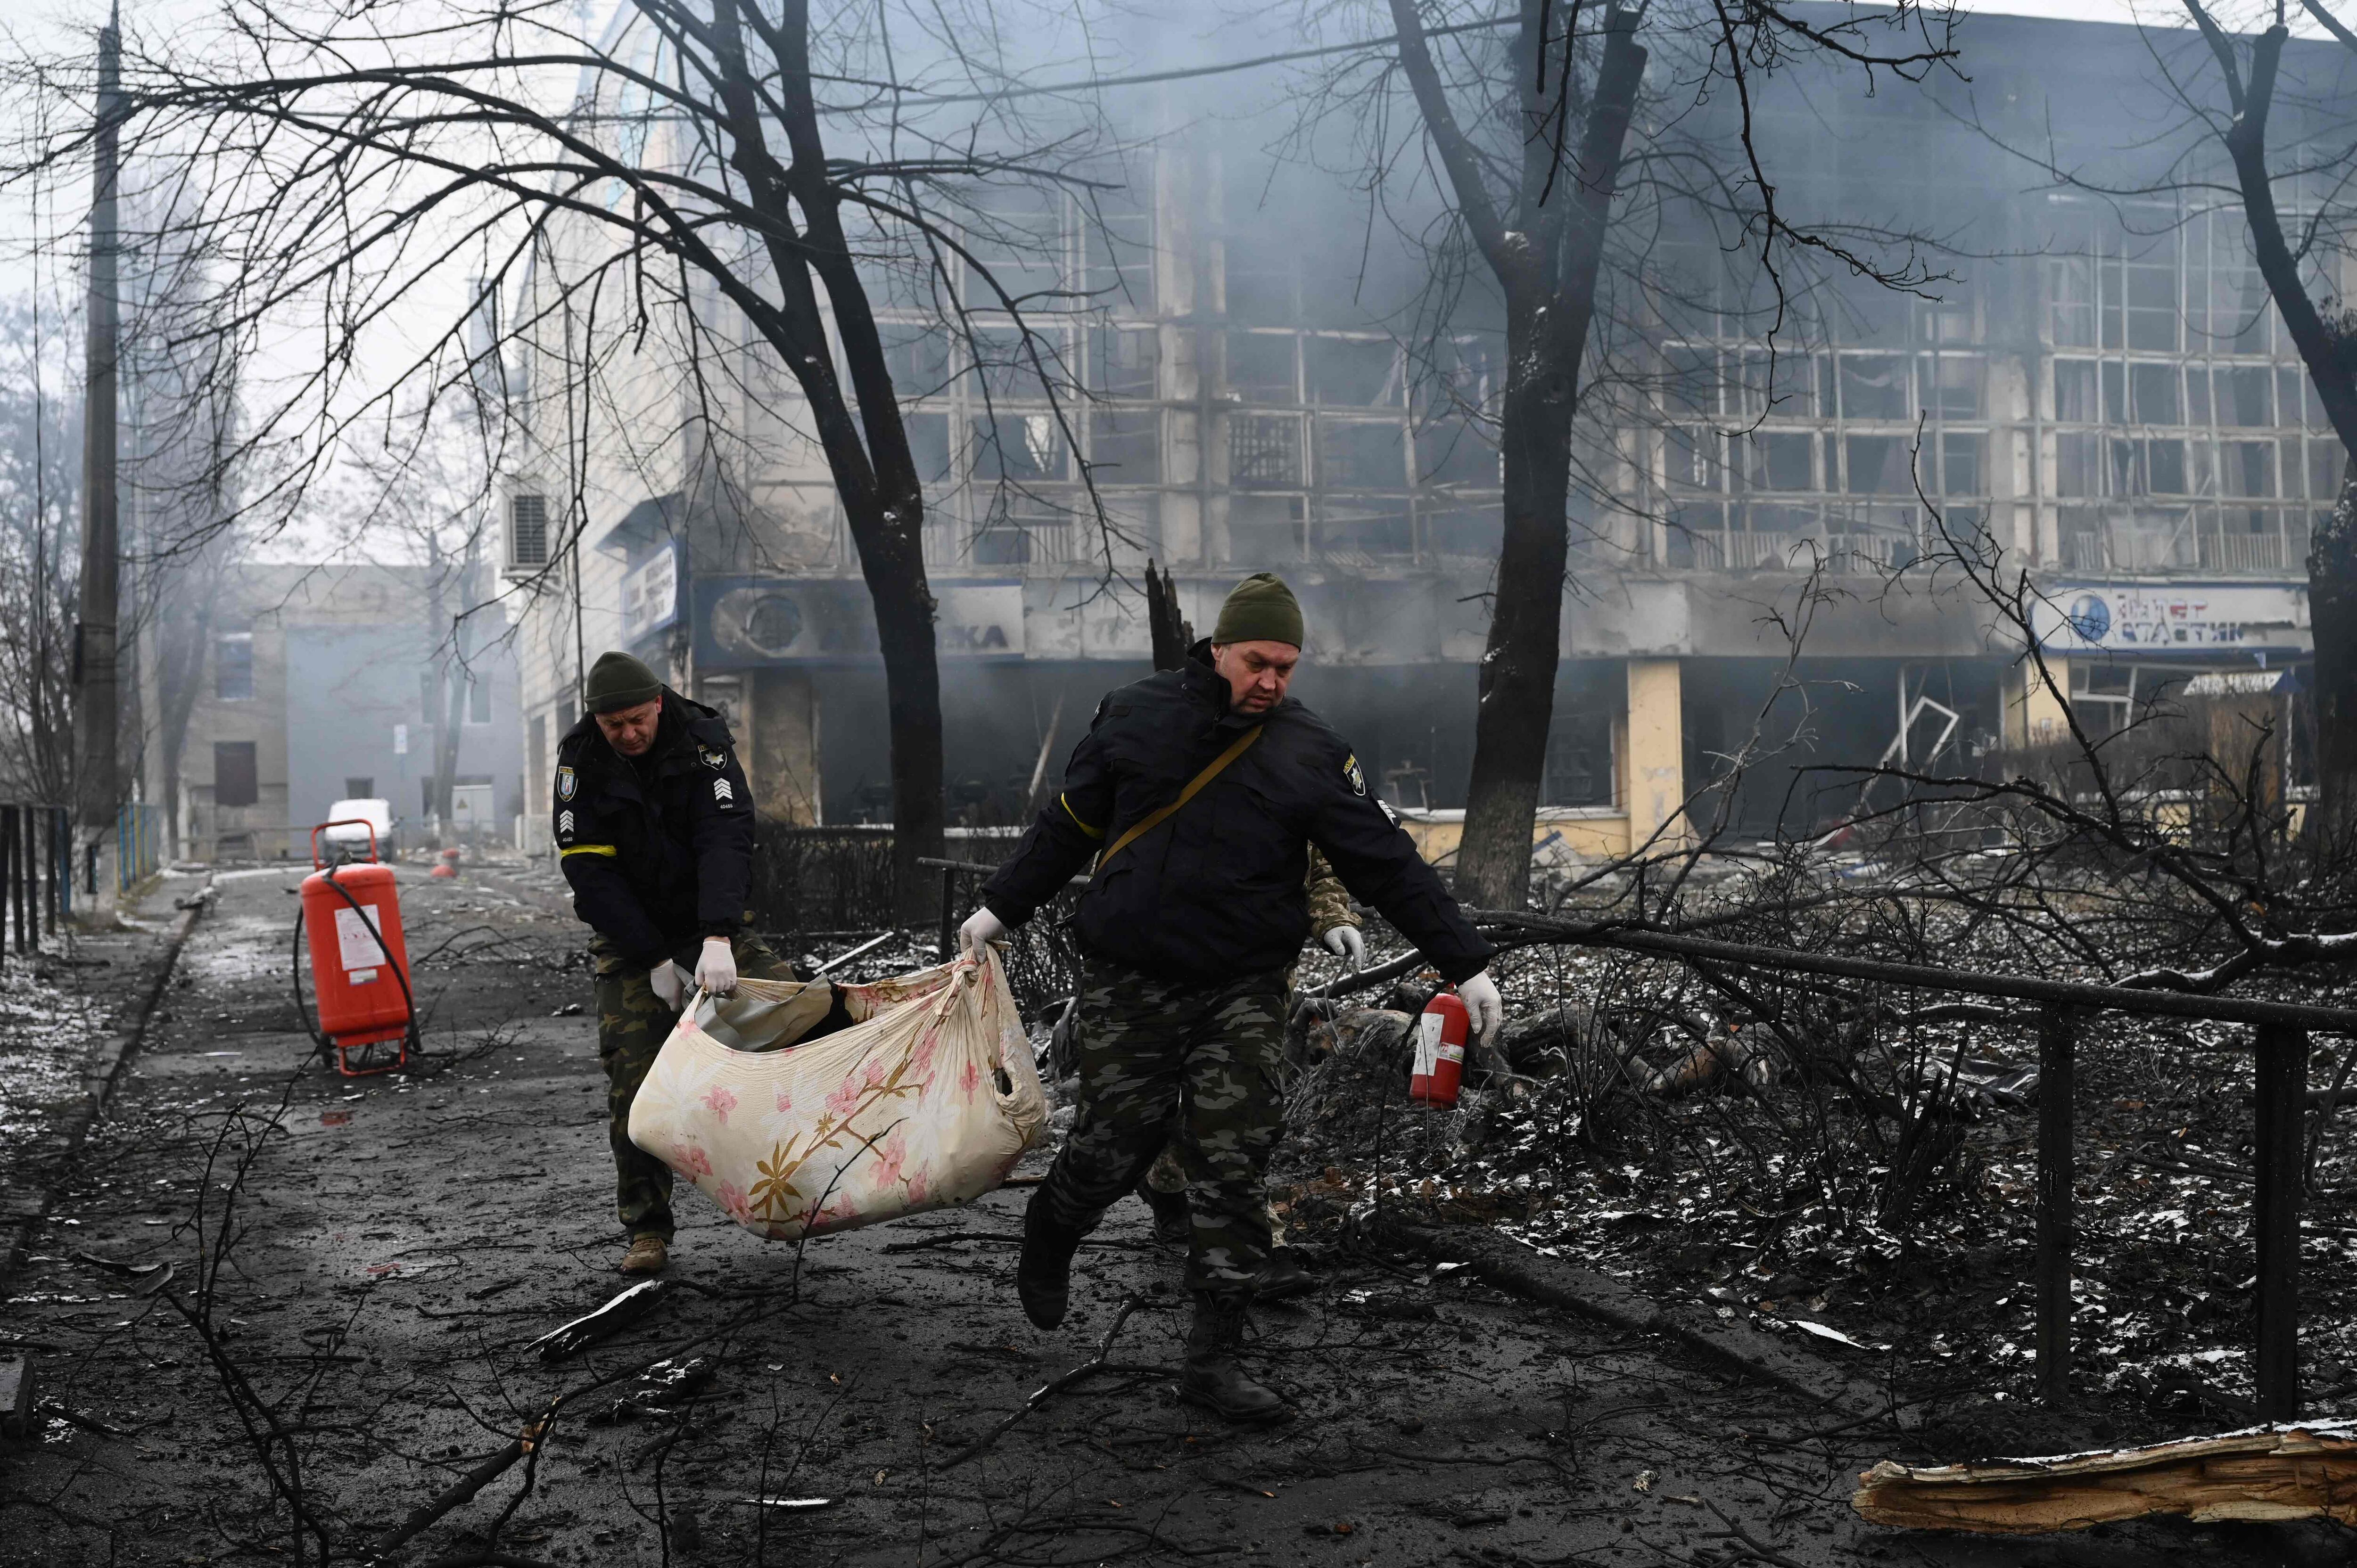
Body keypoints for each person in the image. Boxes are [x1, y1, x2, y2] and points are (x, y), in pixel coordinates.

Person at [961, 573, 1501, 1424]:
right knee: (1116, 1145)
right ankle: (1054, 1227)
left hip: (1243, 988)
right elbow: (1068, 825)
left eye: (1288, 666)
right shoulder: (1132, 714)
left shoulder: (1311, 751)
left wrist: (1464, 961)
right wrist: (998, 909)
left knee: (1231, 1156)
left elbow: (1385, 860)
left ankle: (1214, 1361)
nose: (1273, 681)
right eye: (1258, 662)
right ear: (1218, 649)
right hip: (1130, 978)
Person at [552, 651, 799, 1277]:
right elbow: (591, 874)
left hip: (706, 923)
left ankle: (809, 1185)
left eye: (637, 720)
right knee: (634, 1083)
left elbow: (726, 839)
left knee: (799, 1020)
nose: (629, 734)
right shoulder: (582, 760)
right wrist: (654, 957)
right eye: (616, 726)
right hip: (633, 938)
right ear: (597, 721)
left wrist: (718, 936)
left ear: (658, 703)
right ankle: (647, 1231)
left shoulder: (704, 742)